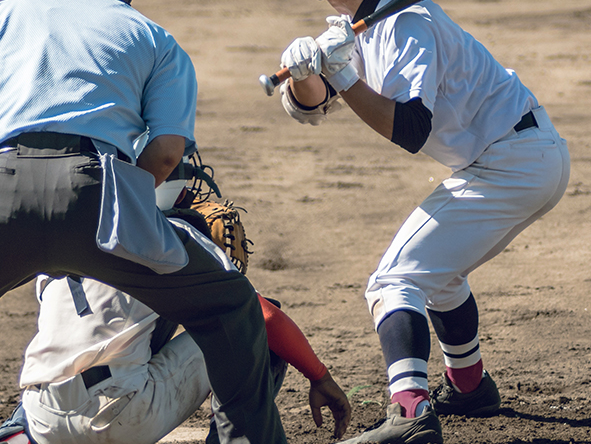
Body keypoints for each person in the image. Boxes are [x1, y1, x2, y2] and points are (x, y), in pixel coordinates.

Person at [275, 0, 570, 444]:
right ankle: (469, 387)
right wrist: (308, 75)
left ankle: (409, 412)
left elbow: (410, 127)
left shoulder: (404, 22)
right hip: (512, 158)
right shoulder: (364, 24)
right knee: (439, 274)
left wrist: (340, 74)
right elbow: (309, 111)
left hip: (512, 161)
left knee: (394, 281)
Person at [0, 0, 285, 444]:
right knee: (232, 308)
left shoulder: (8, 14)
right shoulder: (153, 38)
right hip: (96, 198)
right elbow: (164, 156)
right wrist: (124, 210)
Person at [0, 187, 350, 444]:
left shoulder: (66, 237)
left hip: (42, 416)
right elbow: (265, 318)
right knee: (249, 329)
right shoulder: (168, 241)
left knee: (69, 345)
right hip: (118, 417)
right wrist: (319, 376)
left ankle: (15, 435)